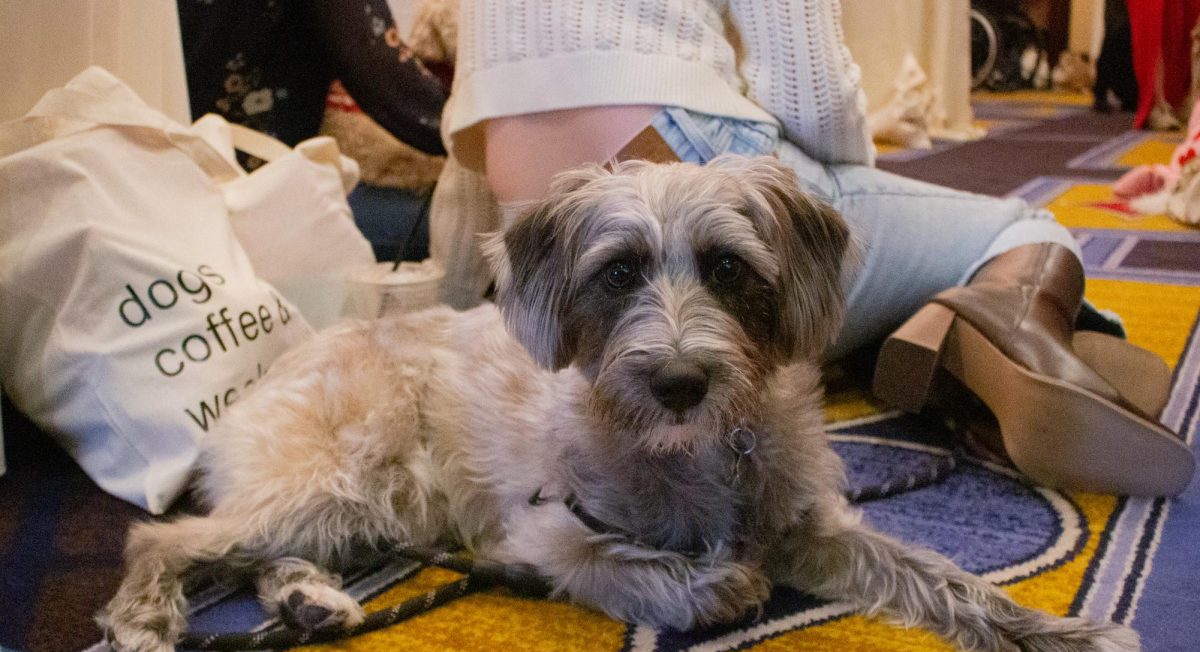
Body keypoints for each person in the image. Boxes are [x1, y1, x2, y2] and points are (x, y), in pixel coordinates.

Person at [429, 0, 1193, 497]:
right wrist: (858, 178)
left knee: (753, 321)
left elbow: (469, 144)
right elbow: (811, 87)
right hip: (692, 159)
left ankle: (912, 334)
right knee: (1026, 226)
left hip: (541, 210)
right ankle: (1016, 337)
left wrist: (466, 292)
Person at [177, 0, 449, 259]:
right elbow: (392, 86)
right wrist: (477, 130)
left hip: (163, 194)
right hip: (252, 205)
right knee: (475, 230)